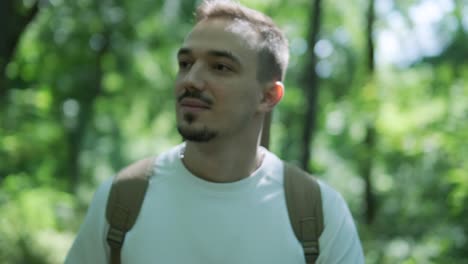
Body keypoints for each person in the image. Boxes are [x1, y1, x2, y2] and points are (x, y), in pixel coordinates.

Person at [65, 0, 364, 263]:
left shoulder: (319, 215)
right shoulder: (122, 200)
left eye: (220, 67)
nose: (190, 79)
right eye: (185, 63)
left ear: (268, 96)